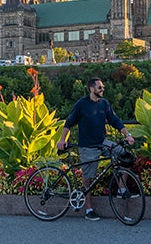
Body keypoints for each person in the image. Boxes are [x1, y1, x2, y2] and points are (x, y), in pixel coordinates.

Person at [57, 77, 135, 221]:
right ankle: (88, 209)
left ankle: (121, 189)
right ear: (91, 89)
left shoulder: (104, 103)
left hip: (102, 142)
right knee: (88, 179)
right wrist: (62, 140)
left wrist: (128, 135)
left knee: (126, 156)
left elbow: (115, 120)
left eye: (103, 87)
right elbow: (69, 123)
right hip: (87, 147)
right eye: (100, 87)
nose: (102, 89)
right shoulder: (82, 104)